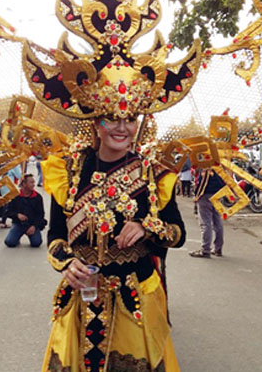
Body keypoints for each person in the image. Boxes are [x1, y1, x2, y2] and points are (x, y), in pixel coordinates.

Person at [42, 115, 186, 371]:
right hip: (81, 298)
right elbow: (55, 236)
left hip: (135, 300)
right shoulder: (69, 170)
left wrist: (146, 227)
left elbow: (178, 234)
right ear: (96, 124)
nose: (121, 128)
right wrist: (66, 263)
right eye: (111, 119)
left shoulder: (153, 173)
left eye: (129, 120)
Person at [189, 168, 227, 258]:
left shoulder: (206, 167)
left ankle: (205, 250)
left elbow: (203, 183)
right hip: (218, 195)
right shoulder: (219, 167)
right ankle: (218, 248)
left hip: (206, 196)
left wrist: (196, 196)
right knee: (217, 221)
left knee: (206, 223)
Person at [3, 174, 46, 248]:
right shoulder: (15, 196)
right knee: (10, 242)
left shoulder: (37, 197)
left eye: (34, 182)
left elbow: (40, 214)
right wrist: (17, 215)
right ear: (24, 184)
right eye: (31, 182)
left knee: (36, 243)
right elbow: (8, 211)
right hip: (18, 224)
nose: (33, 184)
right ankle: (16, 236)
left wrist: (34, 226)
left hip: (32, 224)